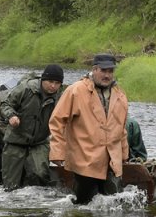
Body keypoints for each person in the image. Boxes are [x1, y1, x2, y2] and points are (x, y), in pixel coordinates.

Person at [49, 53, 130, 204]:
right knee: (83, 208)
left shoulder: (120, 95)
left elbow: (122, 128)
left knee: (114, 205)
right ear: (94, 70)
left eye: (110, 71)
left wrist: (124, 154)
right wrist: (57, 152)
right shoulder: (76, 90)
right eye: (103, 71)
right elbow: (57, 121)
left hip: (112, 160)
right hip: (84, 160)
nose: (107, 75)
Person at [0, 64, 65, 191]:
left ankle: (34, 207)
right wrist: (11, 116)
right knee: (10, 186)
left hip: (39, 142)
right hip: (16, 141)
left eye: (57, 83)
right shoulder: (25, 88)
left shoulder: (61, 97)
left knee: (40, 176)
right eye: (50, 81)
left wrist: (59, 152)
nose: (53, 86)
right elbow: (5, 104)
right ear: (43, 80)